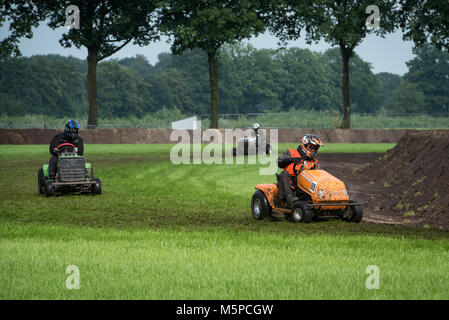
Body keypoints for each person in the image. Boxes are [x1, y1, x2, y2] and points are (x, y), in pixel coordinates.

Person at [277, 134, 323, 207]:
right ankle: (290, 201)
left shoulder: (315, 162)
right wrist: (290, 160)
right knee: (284, 174)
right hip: (290, 182)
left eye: (316, 148)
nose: (314, 150)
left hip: (306, 183)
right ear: (305, 145)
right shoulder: (291, 152)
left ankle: (320, 200)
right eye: (312, 147)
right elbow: (279, 163)